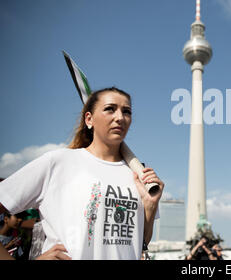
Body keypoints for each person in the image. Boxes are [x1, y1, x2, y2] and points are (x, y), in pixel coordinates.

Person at [0, 87, 164, 260]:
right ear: (89, 119)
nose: (120, 117)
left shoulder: (139, 176)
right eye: (110, 109)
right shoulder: (58, 162)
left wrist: (150, 206)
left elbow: (139, 244)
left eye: (126, 111)